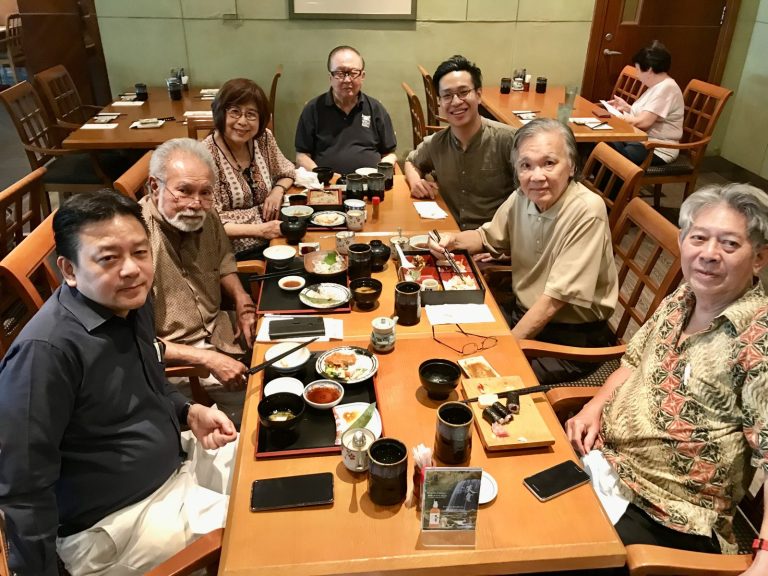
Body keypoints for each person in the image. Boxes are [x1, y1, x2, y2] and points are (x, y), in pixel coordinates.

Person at [0, 190, 237, 575]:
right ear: (69, 270)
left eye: (140, 252)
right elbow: (23, 488)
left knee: (269, 463)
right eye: (108, 258)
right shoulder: (44, 354)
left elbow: (146, 379)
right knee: (258, 528)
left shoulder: (129, 301)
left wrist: (187, 411)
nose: (131, 269)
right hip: (116, 524)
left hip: (175, 464)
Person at [567, 184, 768, 573]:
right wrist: (594, 406)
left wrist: (764, 559)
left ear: (758, 258)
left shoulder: (758, 342)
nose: (709, 254)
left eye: (729, 244)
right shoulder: (684, 296)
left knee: (542, 552)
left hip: (667, 512)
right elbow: (633, 360)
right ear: (682, 242)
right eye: (699, 238)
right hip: (603, 461)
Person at [431, 118, 618, 384]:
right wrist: (451, 240)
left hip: (570, 338)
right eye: (526, 165)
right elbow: (486, 237)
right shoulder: (522, 197)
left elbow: (553, 302)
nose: (536, 176)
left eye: (549, 163)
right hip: (522, 313)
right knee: (444, 339)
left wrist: (507, 349)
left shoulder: (587, 210)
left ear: (572, 166)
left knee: (483, 381)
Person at [143, 138, 257, 426]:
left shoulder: (207, 214)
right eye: (184, 191)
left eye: (205, 192)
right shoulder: (136, 243)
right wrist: (207, 359)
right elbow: (134, 343)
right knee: (262, 405)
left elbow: (223, 259)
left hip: (220, 329)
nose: (196, 204)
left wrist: (242, 300)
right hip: (179, 363)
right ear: (155, 187)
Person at [404, 55, 516, 230]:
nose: (456, 102)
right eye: (447, 95)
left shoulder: (508, 140)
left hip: (494, 240)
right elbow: (411, 161)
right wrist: (416, 183)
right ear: (440, 102)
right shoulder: (437, 143)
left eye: (463, 92)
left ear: (478, 95)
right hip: (450, 233)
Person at [204, 77, 295, 260]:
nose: (243, 121)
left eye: (251, 114)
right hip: (234, 253)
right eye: (235, 112)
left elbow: (287, 172)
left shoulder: (263, 139)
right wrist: (260, 230)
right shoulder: (206, 156)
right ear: (221, 113)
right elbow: (210, 223)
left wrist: (277, 191)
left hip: (273, 237)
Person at [295, 45, 397, 175]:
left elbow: (390, 154)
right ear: (330, 77)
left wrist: (377, 175)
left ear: (362, 76)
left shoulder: (376, 109)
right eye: (340, 73)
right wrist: (323, 176)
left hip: (369, 183)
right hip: (326, 184)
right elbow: (301, 156)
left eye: (353, 73)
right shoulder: (313, 109)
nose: (347, 80)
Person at [607, 41, 684, 167]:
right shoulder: (658, 86)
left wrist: (616, 117)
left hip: (657, 148)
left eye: (638, 70)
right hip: (640, 140)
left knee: (610, 155)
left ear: (649, 70)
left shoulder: (666, 88)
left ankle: (611, 180)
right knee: (603, 144)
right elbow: (650, 114)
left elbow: (643, 123)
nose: (637, 75)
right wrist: (627, 108)